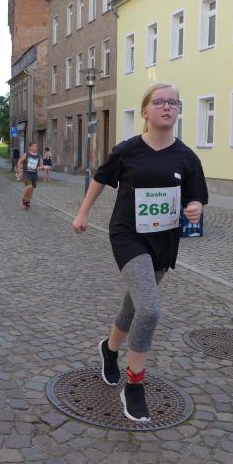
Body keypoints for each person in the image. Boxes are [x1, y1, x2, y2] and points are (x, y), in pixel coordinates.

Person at [71, 82, 207, 423]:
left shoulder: (187, 158)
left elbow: (195, 197)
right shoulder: (128, 150)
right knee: (150, 308)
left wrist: (194, 208)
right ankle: (134, 385)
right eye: (159, 102)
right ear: (145, 111)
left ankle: (109, 350)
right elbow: (101, 178)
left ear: (178, 111)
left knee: (133, 305)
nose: (167, 107)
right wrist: (83, 213)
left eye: (173, 102)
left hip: (163, 241)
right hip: (128, 236)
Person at [17, 142, 43, 209]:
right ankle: (23, 200)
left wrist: (40, 168)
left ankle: (28, 201)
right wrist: (19, 171)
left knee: (32, 190)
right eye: (33, 146)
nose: (35, 148)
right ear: (30, 147)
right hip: (26, 174)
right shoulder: (26, 155)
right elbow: (19, 162)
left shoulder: (39, 156)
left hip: (34, 175)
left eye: (36, 146)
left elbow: (41, 166)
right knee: (29, 186)